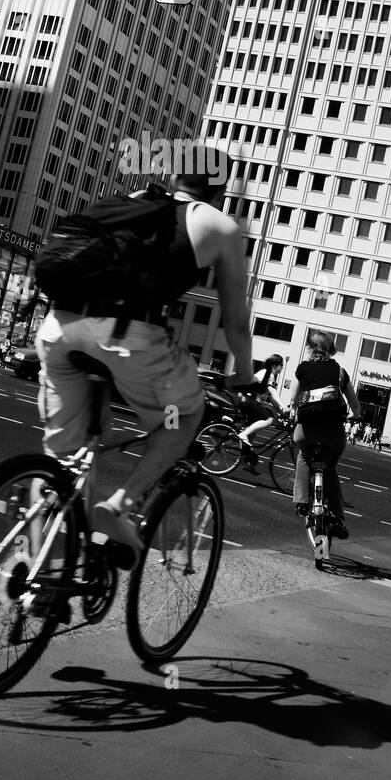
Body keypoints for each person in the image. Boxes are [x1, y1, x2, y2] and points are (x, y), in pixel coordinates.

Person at [35, 147, 258, 553]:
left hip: (59, 329)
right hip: (128, 341)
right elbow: (236, 322)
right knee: (182, 416)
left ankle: (29, 561)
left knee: (60, 462)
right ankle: (121, 506)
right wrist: (244, 372)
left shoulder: (135, 200)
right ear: (221, 189)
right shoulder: (219, 225)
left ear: (174, 178)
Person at [288, 330, 360, 539]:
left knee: (303, 455)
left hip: (307, 430)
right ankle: (338, 518)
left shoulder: (303, 369)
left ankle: (301, 502)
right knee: (330, 469)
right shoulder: (340, 371)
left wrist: (294, 409)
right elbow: (354, 403)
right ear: (331, 351)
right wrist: (355, 415)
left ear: (310, 348)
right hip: (333, 432)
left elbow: (293, 399)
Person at [235, 354, 286, 472]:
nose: (282, 368)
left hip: (245, 398)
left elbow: (270, 398)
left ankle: (247, 462)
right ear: (275, 366)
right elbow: (273, 394)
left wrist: (281, 411)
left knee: (251, 434)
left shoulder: (265, 372)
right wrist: (284, 409)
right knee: (269, 419)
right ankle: (243, 435)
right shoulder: (269, 374)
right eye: (281, 365)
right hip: (248, 399)